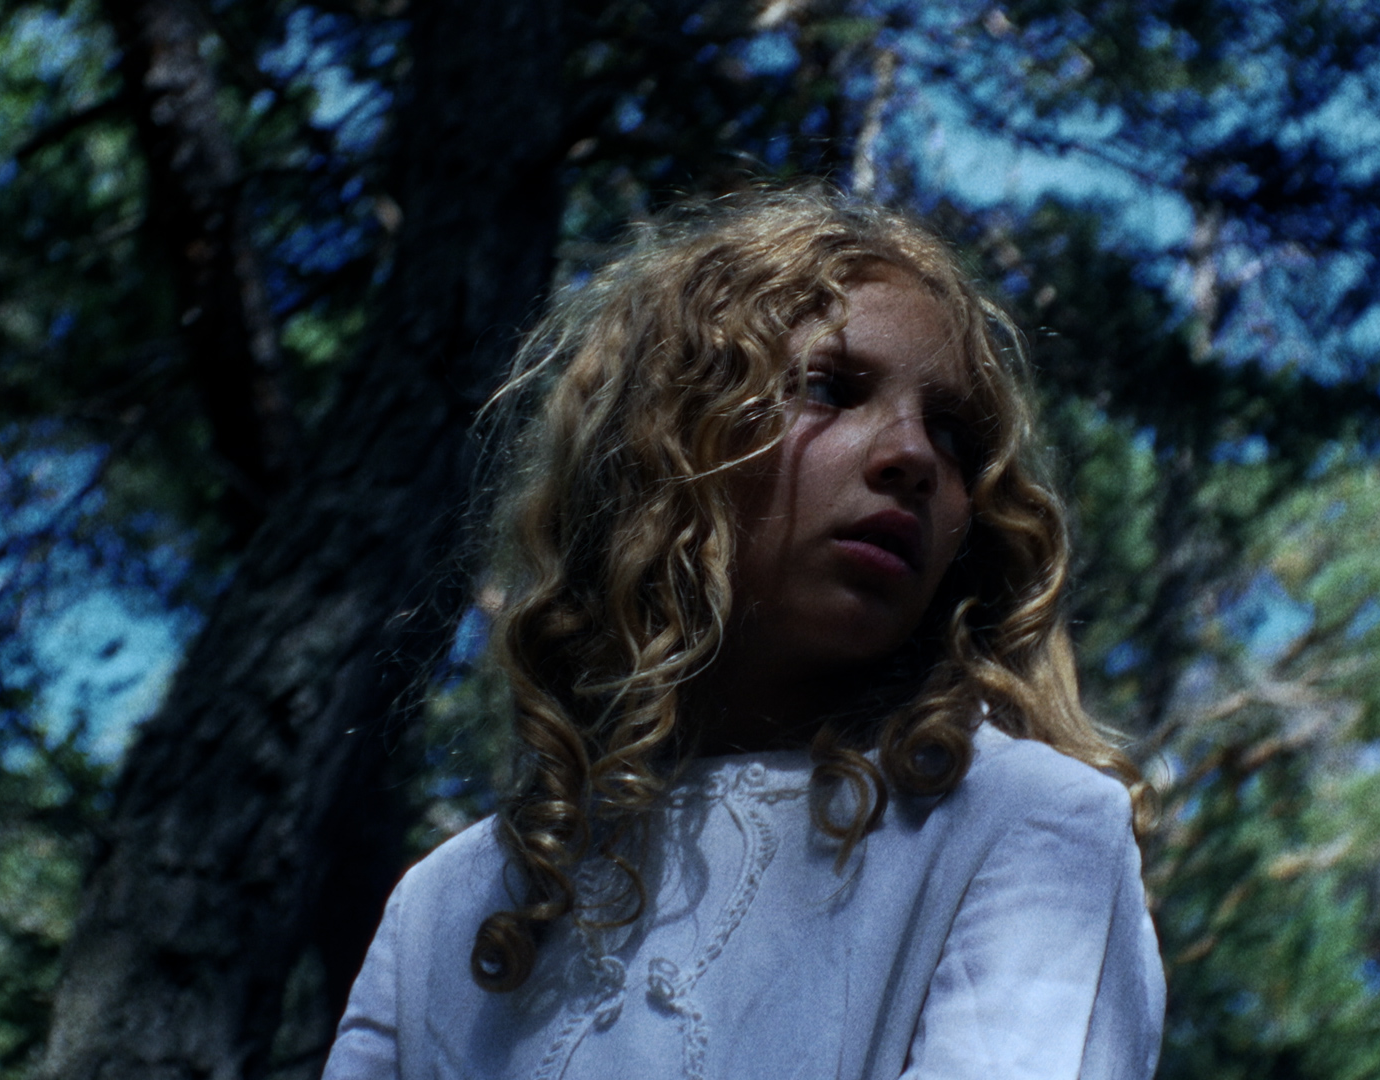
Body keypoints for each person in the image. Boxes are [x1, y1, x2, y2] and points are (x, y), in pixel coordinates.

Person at [322, 187, 1163, 1080]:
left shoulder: (1031, 827)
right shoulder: (445, 911)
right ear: (664, 447)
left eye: (953, 434)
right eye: (830, 388)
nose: (914, 456)